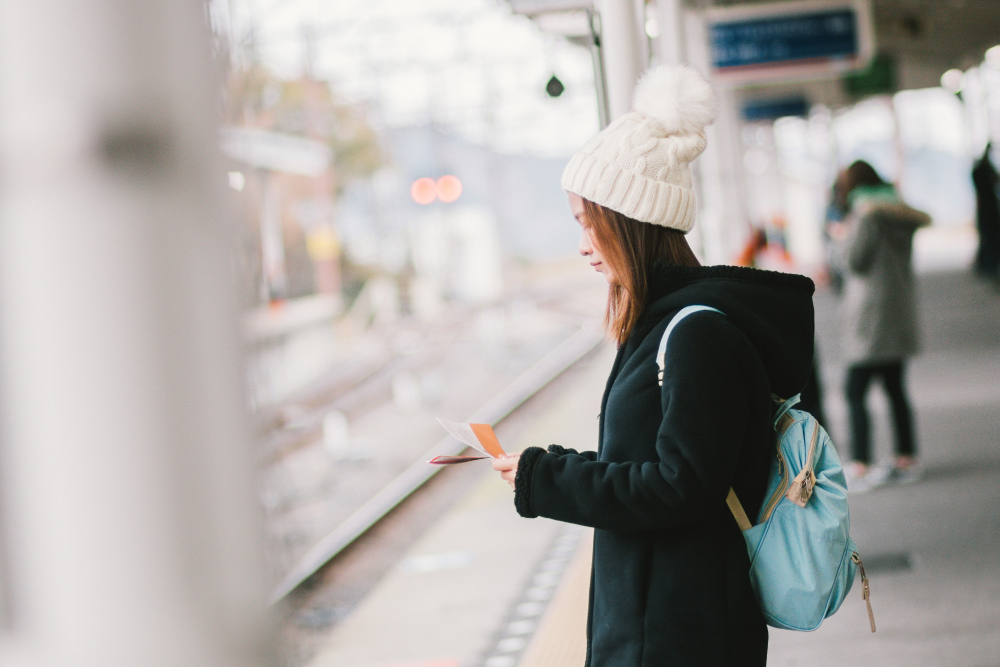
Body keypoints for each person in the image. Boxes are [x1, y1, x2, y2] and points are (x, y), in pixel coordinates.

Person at [492, 65, 816, 667]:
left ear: (632, 223)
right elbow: (653, 464)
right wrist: (548, 467)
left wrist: (550, 483)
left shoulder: (697, 335)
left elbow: (680, 489)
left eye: (591, 223)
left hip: (678, 633)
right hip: (658, 621)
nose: (584, 243)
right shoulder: (665, 327)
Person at [832, 160, 929, 491]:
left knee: (854, 389)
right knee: (894, 387)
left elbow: (853, 261)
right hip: (897, 308)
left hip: (871, 313)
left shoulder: (866, 214)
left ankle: (860, 463)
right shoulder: (898, 211)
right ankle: (906, 458)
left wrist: (840, 236)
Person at [972, 144, 1000, 279]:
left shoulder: (980, 170)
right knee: (989, 236)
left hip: (987, 208)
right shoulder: (984, 170)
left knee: (988, 236)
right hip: (988, 208)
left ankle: (988, 264)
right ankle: (988, 265)